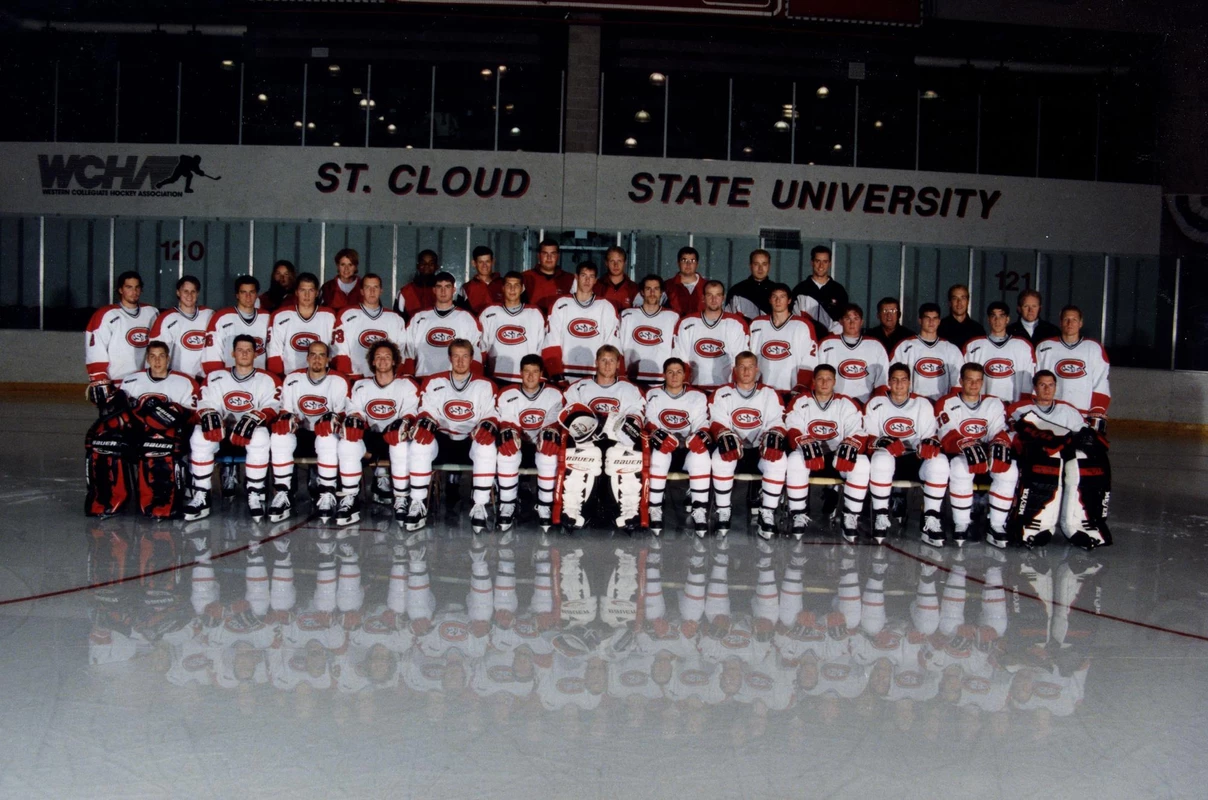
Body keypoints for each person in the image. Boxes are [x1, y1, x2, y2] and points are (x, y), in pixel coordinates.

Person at [86, 341, 199, 518]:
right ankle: (108, 499)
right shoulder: (132, 379)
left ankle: (160, 503)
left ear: (168, 358)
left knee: (157, 445)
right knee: (104, 440)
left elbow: (193, 416)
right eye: (152, 356)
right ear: (147, 359)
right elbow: (120, 412)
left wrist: (169, 414)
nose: (157, 361)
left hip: (168, 434)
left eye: (161, 356)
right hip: (135, 433)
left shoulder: (185, 382)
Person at [1007, 370, 1111, 550]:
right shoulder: (1020, 408)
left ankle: (1080, 522)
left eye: (1051, 385)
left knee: (1086, 463)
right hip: (1032, 456)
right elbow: (1020, 433)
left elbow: (1085, 435)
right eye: (1042, 385)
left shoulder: (1068, 410)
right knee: (1049, 460)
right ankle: (1037, 522)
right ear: (1034, 387)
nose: (1047, 389)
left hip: (1064, 456)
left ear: (1056, 387)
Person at [404, 339, 499, 533]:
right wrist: (426, 419)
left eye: (465, 356)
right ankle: (417, 503)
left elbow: (491, 413)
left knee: (486, 445)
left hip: (470, 442)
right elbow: (426, 410)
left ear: (472, 358)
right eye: (456, 356)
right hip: (444, 441)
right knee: (419, 443)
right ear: (450, 358)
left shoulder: (485, 385)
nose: (460, 361)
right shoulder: (434, 381)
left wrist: (488, 424)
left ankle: (480, 506)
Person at [186, 334, 282, 522]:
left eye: (248, 350)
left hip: (251, 433)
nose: (244, 354)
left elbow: (273, 405)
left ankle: (255, 492)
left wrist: (255, 418)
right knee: (199, 435)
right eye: (240, 350)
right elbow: (205, 402)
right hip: (223, 432)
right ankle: (202, 494)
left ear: (256, 354)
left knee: (261, 435)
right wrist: (209, 414)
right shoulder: (215, 377)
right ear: (232, 353)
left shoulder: (267, 379)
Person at [559, 345, 647, 530]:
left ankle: (628, 511)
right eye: (603, 360)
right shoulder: (579, 388)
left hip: (618, 440)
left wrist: (631, 423)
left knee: (623, 455)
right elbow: (570, 415)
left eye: (612, 361)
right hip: (587, 440)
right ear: (596, 363)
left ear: (618, 365)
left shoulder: (629, 389)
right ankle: (573, 509)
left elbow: (637, 415)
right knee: (583, 454)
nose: (607, 365)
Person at [706, 351, 789, 539]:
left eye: (750, 367)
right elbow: (716, 421)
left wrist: (773, 434)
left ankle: (767, 513)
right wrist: (723, 433)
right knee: (721, 454)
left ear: (757, 369)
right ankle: (723, 509)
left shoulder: (770, 393)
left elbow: (778, 421)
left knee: (779, 458)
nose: (746, 371)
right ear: (734, 369)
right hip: (734, 450)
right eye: (741, 367)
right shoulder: (722, 393)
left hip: (760, 451)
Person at [862, 363, 949, 543]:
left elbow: (930, 437)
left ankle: (930, 519)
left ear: (910, 382)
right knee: (880, 459)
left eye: (903, 380)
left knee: (939, 461)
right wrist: (882, 441)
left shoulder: (922, 404)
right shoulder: (876, 403)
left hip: (913, 459)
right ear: (888, 382)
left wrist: (928, 444)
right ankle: (881, 515)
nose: (899, 384)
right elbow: (868, 440)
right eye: (895, 380)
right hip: (887, 460)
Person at [783, 364, 870, 542]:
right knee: (794, 459)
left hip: (837, 459)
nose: (824, 383)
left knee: (861, 463)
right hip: (808, 458)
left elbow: (858, 431)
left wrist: (851, 444)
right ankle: (798, 513)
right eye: (820, 378)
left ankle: (850, 517)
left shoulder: (846, 403)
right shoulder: (801, 401)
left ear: (834, 382)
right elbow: (792, 427)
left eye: (828, 379)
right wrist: (804, 442)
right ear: (813, 381)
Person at [337, 341, 420, 526]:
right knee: (347, 441)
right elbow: (354, 412)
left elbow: (411, 412)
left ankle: (401, 498)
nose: (383, 361)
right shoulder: (361, 385)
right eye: (378, 357)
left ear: (394, 362)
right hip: (371, 438)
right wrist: (356, 419)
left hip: (396, 438)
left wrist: (402, 423)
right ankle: (350, 498)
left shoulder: (406, 385)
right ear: (372, 362)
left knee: (400, 443)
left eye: (387, 357)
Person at [935, 363, 1017, 548]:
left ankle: (997, 525)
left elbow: (1000, 430)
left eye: (978, 380)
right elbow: (945, 432)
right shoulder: (947, 402)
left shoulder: (994, 403)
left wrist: (998, 444)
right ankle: (961, 522)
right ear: (961, 381)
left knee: (1009, 470)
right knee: (960, 468)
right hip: (960, 454)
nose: (974, 384)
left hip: (987, 453)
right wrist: (966, 444)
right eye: (969, 380)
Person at [268, 340, 349, 523]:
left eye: (321, 355)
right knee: (280, 433)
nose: (317, 359)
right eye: (313, 355)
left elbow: (342, 414)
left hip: (327, 435)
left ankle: (327, 493)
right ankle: (283, 492)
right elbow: (286, 411)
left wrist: (331, 420)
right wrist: (291, 420)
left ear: (328, 359)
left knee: (327, 436)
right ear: (307, 358)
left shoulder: (338, 380)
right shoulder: (292, 379)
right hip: (302, 433)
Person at [494, 354, 566, 531]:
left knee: (548, 452)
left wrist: (551, 432)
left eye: (535, 372)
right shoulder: (507, 393)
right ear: (520, 373)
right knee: (507, 449)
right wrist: (509, 431)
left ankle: (544, 505)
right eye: (527, 371)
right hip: (519, 446)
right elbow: (507, 421)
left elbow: (553, 423)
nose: (531, 376)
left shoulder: (554, 394)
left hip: (540, 447)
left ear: (541, 373)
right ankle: (507, 504)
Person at [643, 357, 710, 535]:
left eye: (678, 372)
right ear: (664, 374)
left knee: (701, 455)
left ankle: (700, 509)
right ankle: (655, 508)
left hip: (686, 450)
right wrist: (659, 435)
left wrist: (698, 436)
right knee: (658, 454)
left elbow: (702, 422)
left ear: (685, 375)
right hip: (664, 450)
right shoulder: (653, 394)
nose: (674, 376)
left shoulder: (697, 396)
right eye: (670, 372)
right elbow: (650, 420)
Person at [541, 262, 620, 383]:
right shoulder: (560, 304)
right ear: (576, 277)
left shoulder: (606, 307)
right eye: (583, 275)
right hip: (565, 374)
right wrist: (556, 374)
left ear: (595, 280)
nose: (587, 280)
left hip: (597, 375)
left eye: (591, 276)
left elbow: (612, 347)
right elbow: (551, 343)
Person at [1034, 305, 1111, 421]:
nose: (1070, 324)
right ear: (1060, 322)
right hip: (1051, 413)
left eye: (1074, 320)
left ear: (1080, 323)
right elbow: (1035, 379)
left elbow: (1101, 380)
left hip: (1083, 413)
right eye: (1066, 319)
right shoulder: (1044, 347)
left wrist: (1098, 408)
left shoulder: (1093, 348)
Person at [85, 270, 159, 389]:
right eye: (129, 287)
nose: (134, 292)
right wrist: (100, 380)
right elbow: (96, 351)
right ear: (120, 290)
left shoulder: (152, 312)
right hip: (117, 383)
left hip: (147, 382)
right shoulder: (105, 315)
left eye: (137, 287)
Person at [672, 280, 750, 391]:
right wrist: (685, 389)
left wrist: (735, 391)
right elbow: (681, 360)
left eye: (718, 295)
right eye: (710, 295)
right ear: (703, 298)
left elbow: (739, 362)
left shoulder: (736, 324)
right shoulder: (687, 323)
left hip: (725, 390)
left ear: (723, 298)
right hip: (694, 389)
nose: (714, 300)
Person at [402, 271, 483, 379]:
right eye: (439, 287)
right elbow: (408, 352)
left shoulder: (467, 318)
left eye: (447, 287)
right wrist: (408, 377)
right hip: (423, 377)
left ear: (454, 290)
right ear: (434, 290)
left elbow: (475, 354)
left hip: (454, 380)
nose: (443, 291)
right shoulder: (418, 318)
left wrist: (472, 381)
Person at [330, 273, 407, 382]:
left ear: (381, 291)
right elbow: (339, 350)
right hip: (355, 378)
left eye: (375, 287)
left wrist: (393, 376)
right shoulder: (347, 315)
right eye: (367, 287)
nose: (372, 291)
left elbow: (400, 353)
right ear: (361, 291)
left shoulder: (395, 318)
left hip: (386, 380)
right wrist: (348, 376)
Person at [748, 283, 818, 398]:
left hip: (791, 392)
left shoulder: (802, 325)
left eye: (782, 297)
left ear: (789, 300)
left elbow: (810, 360)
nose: (778, 300)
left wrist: (802, 386)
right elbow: (748, 356)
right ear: (770, 300)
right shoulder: (757, 324)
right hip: (761, 392)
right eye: (774, 296)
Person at [479, 271, 547, 385]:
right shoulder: (489, 312)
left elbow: (542, 347)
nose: (512, 289)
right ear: (503, 288)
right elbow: (481, 346)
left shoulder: (534, 313)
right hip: (496, 377)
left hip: (526, 379)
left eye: (516, 285)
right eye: (508, 285)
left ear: (522, 288)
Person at [963, 301, 1036, 403]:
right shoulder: (973, 346)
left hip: (1012, 407)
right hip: (982, 408)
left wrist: (1021, 406)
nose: (997, 320)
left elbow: (1029, 382)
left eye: (1001, 316)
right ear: (988, 319)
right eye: (993, 316)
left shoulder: (1023, 346)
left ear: (1007, 319)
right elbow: (964, 379)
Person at [266, 272, 337, 377]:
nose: (306, 295)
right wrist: (279, 378)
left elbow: (335, 350)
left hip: (321, 377)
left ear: (317, 293)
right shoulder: (281, 316)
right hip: (290, 377)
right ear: (296, 292)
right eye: (302, 290)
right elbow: (274, 350)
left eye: (311, 290)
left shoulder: (329, 316)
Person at [816, 304, 889, 404]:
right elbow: (816, 378)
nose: (852, 323)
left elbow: (882, 383)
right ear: (841, 321)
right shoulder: (826, 344)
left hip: (865, 405)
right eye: (847, 318)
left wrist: (877, 405)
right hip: (833, 405)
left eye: (856, 319)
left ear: (862, 322)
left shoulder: (875, 346)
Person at [890, 303, 963, 402]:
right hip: (913, 405)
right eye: (927, 318)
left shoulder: (951, 349)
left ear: (939, 321)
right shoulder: (905, 346)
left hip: (941, 404)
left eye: (935, 318)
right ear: (920, 320)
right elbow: (892, 378)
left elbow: (958, 383)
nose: (931, 322)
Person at [201, 275, 270, 375]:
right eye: (243, 292)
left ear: (256, 295)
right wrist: (219, 378)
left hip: (259, 379)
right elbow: (212, 354)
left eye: (252, 292)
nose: (248, 296)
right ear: (237, 295)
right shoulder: (222, 317)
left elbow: (272, 351)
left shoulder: (267, 317)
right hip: (230, 378)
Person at [618, 275, 679, 387]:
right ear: (642, 292)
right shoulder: (627, 315)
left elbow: (677, 350)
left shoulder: (672, 317)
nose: (652, 293)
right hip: (632, 379)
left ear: (661, 292)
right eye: (648, 289)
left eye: (656, 289)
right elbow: (618, 347)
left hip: (660, 380)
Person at [149, 275, 213, 380]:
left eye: (193, 291)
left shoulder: (209, 315)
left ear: (198, 293)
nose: (189, 295)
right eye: (185, 291)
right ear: (178, 292)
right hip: (177, 379)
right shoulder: (166, 319)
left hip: (203, 379)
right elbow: (155, 353)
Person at [790, 245, 847, 340]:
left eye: (825, 262)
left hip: (831, 342)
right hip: (805, 340)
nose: (821, 266)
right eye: (817, 261)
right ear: (812, 262)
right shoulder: (800, 289)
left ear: (830, 263)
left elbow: (843, 320)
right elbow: (794, 319)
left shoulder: (839, 290)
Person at [522, 239, 575, 314]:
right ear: (538, 255)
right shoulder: (525, 277)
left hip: (560, 324)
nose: (549, 257)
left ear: (558, 256)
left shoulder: (569, 279)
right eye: (545, 253)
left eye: (553, 254)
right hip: (533, 323)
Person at [725, 249, 776, 321]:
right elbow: (728, 319)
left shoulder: (777, 291)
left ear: (769, 266)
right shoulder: (737, 291)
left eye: (764, 264)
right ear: (750, 266)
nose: (760, 268)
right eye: (756, 264)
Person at [456, 246, 503, 315]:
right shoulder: (466, 288)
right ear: (474, 263)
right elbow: (461, 314)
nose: (484, 265)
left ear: (493, 262)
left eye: (487, 261)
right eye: (480, 262)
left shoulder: (504, 284)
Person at [395, 249, 439, 320]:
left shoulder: (443, 291)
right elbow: (398, 321)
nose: (426, 266)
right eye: (423, 263)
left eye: (431, 264)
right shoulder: (405, 292)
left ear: (436, 267)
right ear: (418, 266)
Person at [937, 284, 985, 351]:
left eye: (963, 298)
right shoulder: (939, 327)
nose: (959, 302)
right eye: (955, 298)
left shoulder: (978, 329)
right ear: (950, 303)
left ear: (968, 301)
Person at [665, 246, 707, 316]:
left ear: (697, 264)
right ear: (678, 263)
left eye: (692, 261)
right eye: (684, 260)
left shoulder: (707, 287)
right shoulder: (667, 286)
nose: (688, 264)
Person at [597, 246, 640, 313]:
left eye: (619, 261)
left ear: (625, 262)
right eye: (612, 261)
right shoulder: (597, 286)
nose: (616, 265)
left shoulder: (634, 289)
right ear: (606, 263)